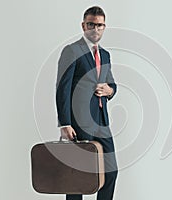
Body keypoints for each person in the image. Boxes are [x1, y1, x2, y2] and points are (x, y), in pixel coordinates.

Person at [55, 6, 118, 200]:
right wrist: (65, 123)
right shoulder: (72, 50)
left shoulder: (105, 54)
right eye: (91, 24)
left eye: (99, 25)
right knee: (78, 176)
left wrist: (110, 90)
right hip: (78, 121)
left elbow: (111, 83)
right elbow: (62, 88)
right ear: (83, 25)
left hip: (101, 121)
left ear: (104, 27)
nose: (95, 29)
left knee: (111, 171)